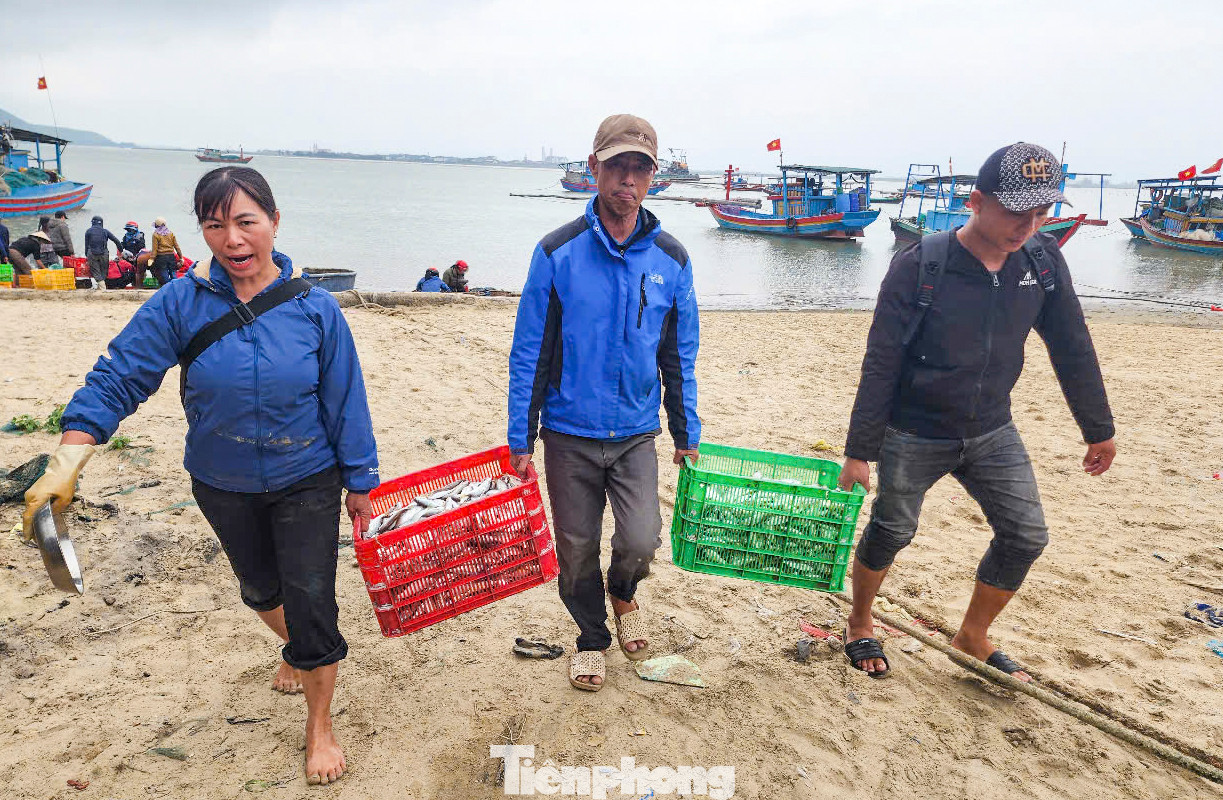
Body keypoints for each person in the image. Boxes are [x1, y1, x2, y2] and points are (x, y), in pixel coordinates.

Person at [23, 166, 377, 785]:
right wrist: (64, 466)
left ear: (273, 222)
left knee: (313, 602)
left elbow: (346, 400)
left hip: (306, 476)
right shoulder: (180, 302)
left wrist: (360, 481)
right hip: (221, 478)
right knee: (261, 590)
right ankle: (291, 645)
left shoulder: (316, 309)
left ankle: (319, 724)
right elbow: (120, 376)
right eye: (215, 226)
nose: (232, 240)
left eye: (246, 222)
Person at [838, 142, 1116, 682]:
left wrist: (1098, 428)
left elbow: (1072, 344)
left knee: (1026, 535)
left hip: (992, 429)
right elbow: (880, 364)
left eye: (1042, 212)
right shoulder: (922, 265)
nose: (1028, 225)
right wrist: (859, 453)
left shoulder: (1043, 260)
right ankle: (859, 619)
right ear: (976, 201)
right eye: (1016, 211)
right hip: (912, 431)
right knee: (892, 530)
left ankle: (973, 634)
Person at [507, 114, 701, 692]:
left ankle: (624, 594)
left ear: (653, 177)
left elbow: (678, 357)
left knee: (641, 539)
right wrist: (521, 438)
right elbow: (530, 354)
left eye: (640, 168)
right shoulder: (556, 252)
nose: (628, 180)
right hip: (568, 432)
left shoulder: (672, 259)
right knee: (574, 550)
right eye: (616, 166)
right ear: (594, 168)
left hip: (638, 432)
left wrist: (686, 434)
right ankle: (591, 637)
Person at [83, 216, 122, 289]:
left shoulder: (88, 231)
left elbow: (86, 245)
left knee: (95, 271)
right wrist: (121, 250)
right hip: (104, 254)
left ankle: (102, 288)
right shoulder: (105, 231)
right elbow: (116, 241)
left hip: (92, 254)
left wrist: (87, 255)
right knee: (104, 271)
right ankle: (102, 287)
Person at [147, 217, 184, 287]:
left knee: (164, 274)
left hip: (161, 257)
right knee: (173, 272)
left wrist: (151, 259)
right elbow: (177, 247)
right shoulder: (171, 233)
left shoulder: (155, 235)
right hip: (171, 256)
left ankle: (168, 286)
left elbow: (154, 249)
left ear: (156, 225)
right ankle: (176, 287)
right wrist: (181, 257)